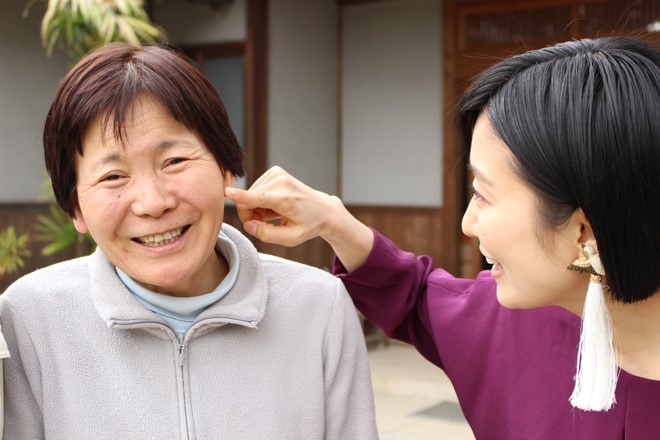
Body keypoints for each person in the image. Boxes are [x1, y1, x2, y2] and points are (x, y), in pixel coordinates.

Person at [226, 36, 660, 439]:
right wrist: (332, 222)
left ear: (582, 229)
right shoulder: (512, 319)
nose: (467, 223)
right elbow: (414, 297)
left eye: (482, 195)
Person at [0, 43, 378, 439]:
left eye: (175, 161)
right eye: (113, 176)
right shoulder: (30, 318)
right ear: (75, 207)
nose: (153, 203)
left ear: (226, 168)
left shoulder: (318, 308)